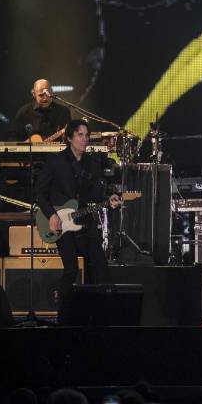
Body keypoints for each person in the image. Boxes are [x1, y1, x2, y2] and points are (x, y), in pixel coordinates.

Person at [35, 119, 121, 316]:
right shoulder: (56, 162)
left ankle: (108, 312)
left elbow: (96, 194)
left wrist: (109, 199)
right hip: (60, 222)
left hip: (83, 219)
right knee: (71, 268)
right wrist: (51, 215)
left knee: (99, 263)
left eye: (87, 135)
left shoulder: (92, 163)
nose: (84, 139)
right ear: (70, 138)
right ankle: (63, 313)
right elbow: (40, 193)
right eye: (80, 135)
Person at [7, 78, 72, 141]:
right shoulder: (24, 111)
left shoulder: (63, 111)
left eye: (47, 94)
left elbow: (70, 137)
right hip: (30, 152)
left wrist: (67, 136)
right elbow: (12, 136)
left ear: (51, 92)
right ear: (33, 93)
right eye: (41, 95)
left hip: (56, 152)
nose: (45, 98)